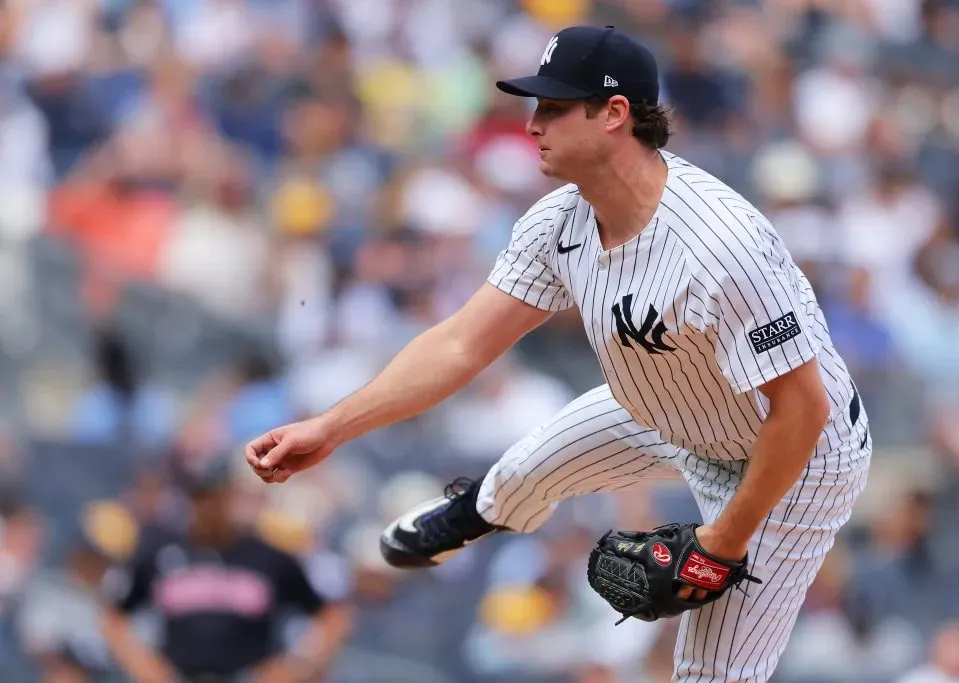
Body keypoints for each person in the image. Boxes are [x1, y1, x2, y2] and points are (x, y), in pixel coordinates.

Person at [244, 25, 872, 683]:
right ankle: (471, 512)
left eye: (553, 107)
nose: (532, 123)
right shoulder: (559, 222)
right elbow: (460, 343)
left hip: (792, 455)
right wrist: (332, 426)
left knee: (711, 675)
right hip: (672, 404)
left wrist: (723, 540)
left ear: (614, 114)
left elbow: (801, 408)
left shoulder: (720, 246)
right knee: (525, 469)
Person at [101, 457, 352, 682]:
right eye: (200, 497)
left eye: (215, 496)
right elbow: (115, 615)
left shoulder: (267, 556)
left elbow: (333, 616)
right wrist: (142, 665)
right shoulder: (162, 552)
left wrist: (297, 664)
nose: (207, 506)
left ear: (230, 494)